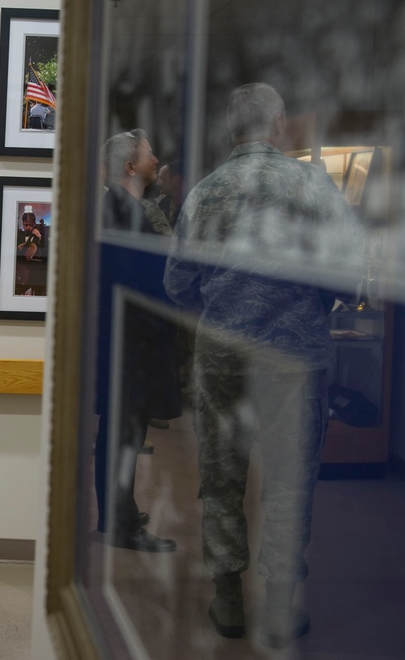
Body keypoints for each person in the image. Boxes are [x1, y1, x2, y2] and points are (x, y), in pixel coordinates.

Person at [164, 83, 364, 647]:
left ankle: (228, 602)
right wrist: (311, 303)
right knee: (289, 480)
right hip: (295, 359)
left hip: (223, 355)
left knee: (222, 477)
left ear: (233, 129)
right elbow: (349, 273)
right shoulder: (313, 186)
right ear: (278, 124)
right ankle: (279, 605)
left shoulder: (205, 192)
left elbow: (177, 282)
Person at [94, 129, 180, 555]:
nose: (156, 158)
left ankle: (117, 511)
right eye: (149, 154)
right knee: (124, 437)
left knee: (121, 434)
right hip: (130, 347)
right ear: (130, 167)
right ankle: (120, 525)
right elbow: (137, 287)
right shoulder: (122, 211)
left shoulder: (122, 207)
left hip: (126, 345)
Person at [156, 158, 185, 229]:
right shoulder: (160, 205)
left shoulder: (190, 204)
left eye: (162, 178)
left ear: (176, 179)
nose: (157, 183)